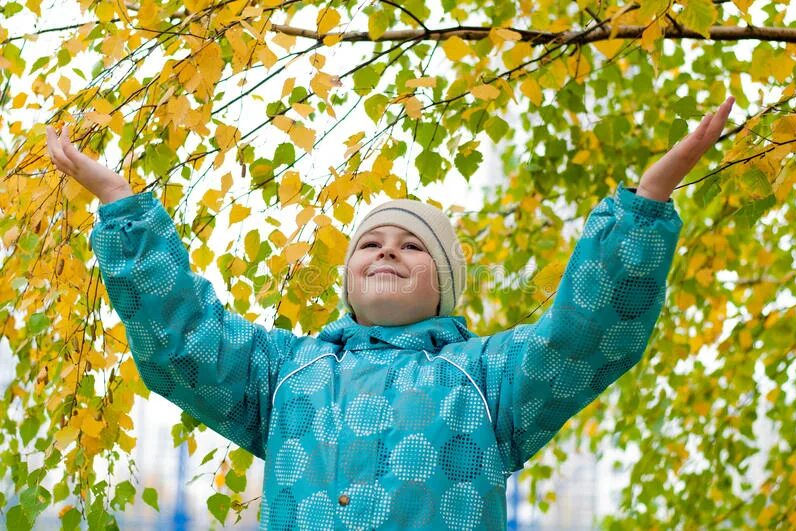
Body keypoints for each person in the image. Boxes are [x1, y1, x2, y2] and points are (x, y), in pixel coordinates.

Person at [45, 96, 734, 529]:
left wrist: (644, 205)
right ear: (347, 276)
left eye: (413, 245)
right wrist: (120, 204)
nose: (387, 252)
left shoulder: (487, 379)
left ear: (445, 286)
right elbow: (185, 339)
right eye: (370, 242)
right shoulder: (285, 373)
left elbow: (582, 341)